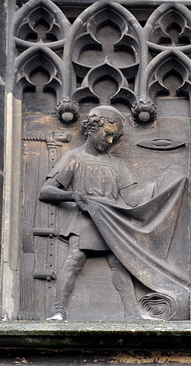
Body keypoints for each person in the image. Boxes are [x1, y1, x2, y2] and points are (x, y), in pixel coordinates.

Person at [39, 105, 141, 321]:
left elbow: (132, 197)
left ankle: (133, 313)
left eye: (115, 137)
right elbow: (46, 191)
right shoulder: (74, 157)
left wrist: (160, 190)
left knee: (120, 264)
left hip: (112, 220)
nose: (111, 141)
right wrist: (74, 196)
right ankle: (58, 310)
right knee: (74, 259)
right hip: (86, 217)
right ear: (93, 128)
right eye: (108, 134)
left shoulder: (117, 164)